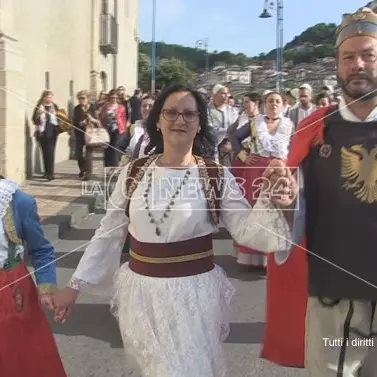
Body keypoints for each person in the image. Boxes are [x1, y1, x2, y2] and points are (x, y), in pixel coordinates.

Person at [52, 85, 291, 377]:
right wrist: (75, 285)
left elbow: (247, 231)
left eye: (189, 114)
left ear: (200, 123)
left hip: (194, 296)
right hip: (140, 297)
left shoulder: (215, 175)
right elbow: (109, 231)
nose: (180, 120)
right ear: (157, 120)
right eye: (172, 113)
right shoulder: (133, 172)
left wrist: (270, 198)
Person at [261, 7, 377, 376]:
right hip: (333, 299)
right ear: (338, 64)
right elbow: (296, 211)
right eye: (348, 56)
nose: (358, 64)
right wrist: (284, 201)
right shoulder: (314, 129)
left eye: (368, 54)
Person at [0, 177, 66, 377]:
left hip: (11, 292)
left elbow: (41, 249)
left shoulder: (16, 202)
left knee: (19, 359)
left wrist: (46, 288)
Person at [230, 92, 294, 269]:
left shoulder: (289, 125)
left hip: (279, 171)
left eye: (277, 101)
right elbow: (234, 137)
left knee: (278, 211)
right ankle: (252, 254)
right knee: (255, 209)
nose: (273, 104)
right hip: (256, 170)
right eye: (270, 101)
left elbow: (295, 146)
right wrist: (244, 155)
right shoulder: (255, 122)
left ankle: (273, 255)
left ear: (283, 105)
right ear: (265, 104)